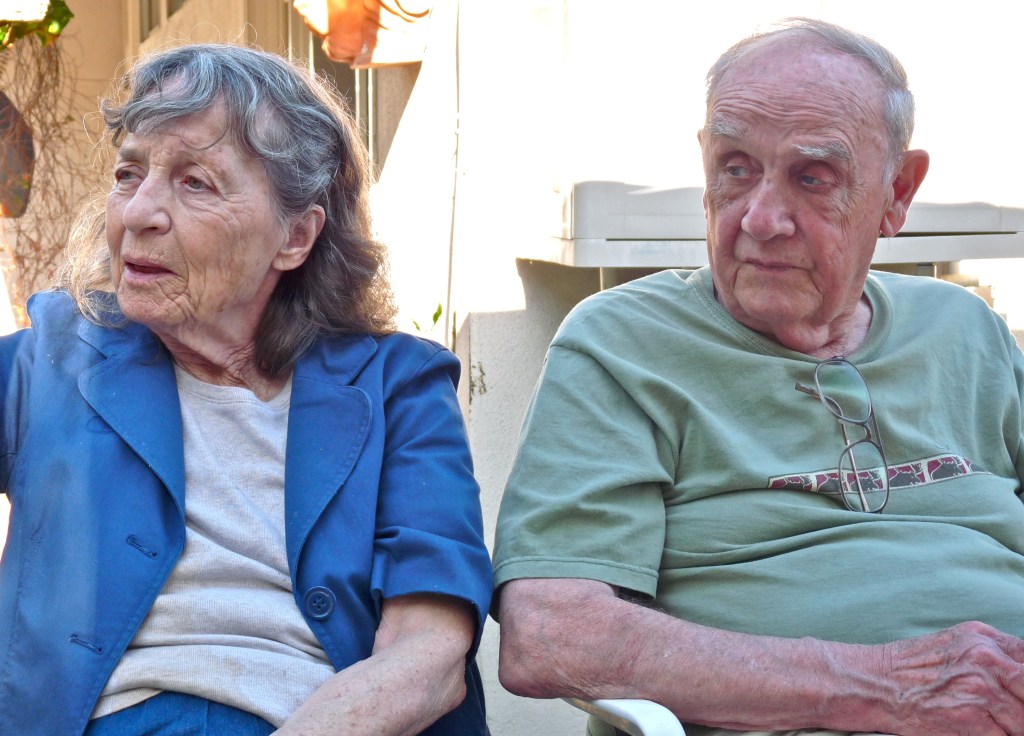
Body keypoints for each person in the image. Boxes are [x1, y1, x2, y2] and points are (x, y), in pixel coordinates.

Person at [492, 17, 1024, 736]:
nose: (762, 218)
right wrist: (886, 688)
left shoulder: (966, 330)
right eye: (736, 168)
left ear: (897, 192)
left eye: (813, 177)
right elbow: (552, 634)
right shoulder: (625, 346)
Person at [0, 43, 492, 735]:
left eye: (195, 182)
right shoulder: (52, 363)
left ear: (295, 237)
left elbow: (428, 656)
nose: (138, 212)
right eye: (127, 173)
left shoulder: (396, 389)